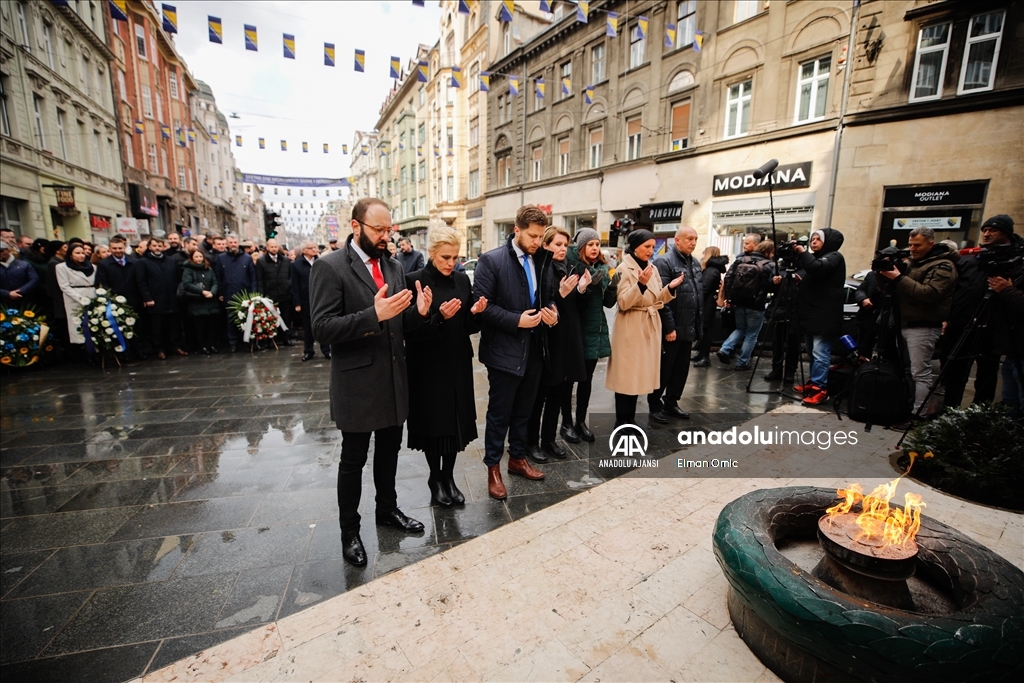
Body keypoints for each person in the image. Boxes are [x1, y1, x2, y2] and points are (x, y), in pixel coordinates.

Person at [309, 198, 433, 567]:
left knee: (389, 451)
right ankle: (350, 531)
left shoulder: (393, 266)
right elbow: (322, 329)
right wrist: (372, 314)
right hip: (357, 384)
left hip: (394, 378)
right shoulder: (329, 267)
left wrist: (419, 315)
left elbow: (397, 324)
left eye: (389, 229)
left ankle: (387, 509)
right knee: (353, 460)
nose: (386, 236)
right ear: (356, 226)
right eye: (378, 229)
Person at [473, 205, 558, 500]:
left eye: (540, 236)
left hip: (535, 349)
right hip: (503, 352)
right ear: (516, 230)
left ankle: (518, 458)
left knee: (525, 411)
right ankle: (493, 468)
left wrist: (553, 313)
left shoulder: (541, 260)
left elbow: (548, 298)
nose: (536, 242)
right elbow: (483, 307)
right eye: (532, 236)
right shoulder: (491, 260)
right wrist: (516, 320)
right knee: (500, 414)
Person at [405, 226, 487, 507]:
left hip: (457, 361)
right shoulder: (414, 280)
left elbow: (466, 326)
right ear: (431, 253)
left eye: (455, 257)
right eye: (445, 258)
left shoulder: (463, 281)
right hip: (427, 365)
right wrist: (433, 315)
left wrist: (475, 314)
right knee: (434, 425)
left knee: (455, 424)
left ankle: (449, 478)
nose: (451, 263)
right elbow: (410, 331)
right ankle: (435, 479)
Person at [878, 226, 958, 419]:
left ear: (931, 243)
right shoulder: (914, 262)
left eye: (917, 245)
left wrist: (898, 277)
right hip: (905, 323)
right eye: (911, 244)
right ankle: (907, 407)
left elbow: (929, 293)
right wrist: (883, 272)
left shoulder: (943, 265)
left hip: (924, 325)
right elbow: (889, 289)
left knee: (920, 373)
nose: (912, 248)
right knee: (907, 370)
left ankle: (919, 415)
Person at [606, 229, 683, 427]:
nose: (650, 250)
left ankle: (629, 419)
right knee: (626, 377)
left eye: (652, 246)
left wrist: (670, 288)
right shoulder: (622, 269)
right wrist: (639, 285)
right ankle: (621, 421)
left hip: (649, 326)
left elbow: (657, 299)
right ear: (635, 247)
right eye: (646, 246)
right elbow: (622, 302)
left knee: (639, 376)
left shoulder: (652, 268)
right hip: (630, 327)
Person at [943, 215, 1019, 409]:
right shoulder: (970, 259)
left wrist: (1008, 289)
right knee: (955, 373)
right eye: (984, 230)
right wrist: (947, 317)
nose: (986, 233)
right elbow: (953, 290)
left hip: (994, 329)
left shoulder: (1016, 261)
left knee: (987, 375)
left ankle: (979, 414)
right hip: (963, 326)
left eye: (992, 230)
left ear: (1007, 233)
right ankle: (949, 413)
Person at [527, 226, 586, 462]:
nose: (562, 249)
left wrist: (580, 291)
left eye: (565, 245)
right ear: (545, 245)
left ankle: (549, 440)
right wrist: (560, 295)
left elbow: (574, 310)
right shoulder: (541, 268)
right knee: (540, 396)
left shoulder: (566, 268)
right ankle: (531, 442)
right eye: (557, 244)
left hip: (566, 340)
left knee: (558, 394)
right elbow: (542, 304)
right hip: (547, 342)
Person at [564, 228, 618, 441]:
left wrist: (613, 285)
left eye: (597, 244)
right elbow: (571, 304)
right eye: (591, 245)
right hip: (575, 333)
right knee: (568, 382)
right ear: (581, 247)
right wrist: (583, 287)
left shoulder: (602, 269)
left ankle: (580, 422)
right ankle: (566, 423)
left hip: (595, 331)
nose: (595, 248)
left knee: (586, 380)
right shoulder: (572, 267)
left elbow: (608, 303)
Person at [649, 227, 702, 421]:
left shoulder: (694, 263)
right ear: (677, 241)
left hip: (688, 326)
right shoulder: (664, 262)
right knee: (664, 369)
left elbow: (697, 295)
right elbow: (662, 297)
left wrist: (698, 325)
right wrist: (669, 327)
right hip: (673, 327)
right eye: (689, 239)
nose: (693, 242)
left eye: (695, 239)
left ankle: (672, 402)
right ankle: (655, 404)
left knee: (681, 369)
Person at [794, 228, 847, 405]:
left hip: (825, 315)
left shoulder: (834, 256)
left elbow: (817, 269)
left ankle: (820, 388)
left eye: (818, 239)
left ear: (829, 242)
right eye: (812, 239)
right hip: (813, 313)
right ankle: (814, 381)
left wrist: (802, 252)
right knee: (811, 351)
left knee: (820, 352)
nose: (813, 242)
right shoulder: (818, 259)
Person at [716, 237, 775, 371]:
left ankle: (725, 349)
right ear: (768, 251)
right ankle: (742, 362)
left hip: (739, 302)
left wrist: (730, 298)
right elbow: (771, 286)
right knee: (751, 334)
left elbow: (729, 278)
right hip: (756, 304)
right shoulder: (769, 265)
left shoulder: (741, 260)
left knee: (740, 329)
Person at [135, 236, 186, 360]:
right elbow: (141, 282)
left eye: (159, 246)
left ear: (164, 247)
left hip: (172, 298)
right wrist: (147, 298)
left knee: (174, 325)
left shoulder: (171, 260)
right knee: (157, 327)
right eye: (154, 245)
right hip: (155, 299)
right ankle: (159, 349)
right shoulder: (143, 262)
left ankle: (175, 346)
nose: (157, 248)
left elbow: (178, 278)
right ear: (150, 247)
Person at [214, 235, 258, 352]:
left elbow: (253, 276)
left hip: (244, 293)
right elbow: (218, 277)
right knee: (231, 320)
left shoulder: (247, 258)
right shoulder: (221, 258)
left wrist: (253, 293)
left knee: (247, 319)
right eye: (231, 242)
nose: (233, 244)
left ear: (238, 243)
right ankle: (233, 343)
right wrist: (220, 292)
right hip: (229, 293)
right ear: (227, 244)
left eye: (235, 242)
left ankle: (247, 341)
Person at [291, 241, 330, 361]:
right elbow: (294, 285)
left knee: (324, 326)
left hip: (321, 299)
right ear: (304, 251)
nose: (314, 250)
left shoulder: (321, 262)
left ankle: (326, 350)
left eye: (315, 247)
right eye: (311, 248)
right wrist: (297, 303)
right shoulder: (296, 265)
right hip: (306, 300)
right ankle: (308, 351)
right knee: (308, 329)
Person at [54, 242, 96, 355]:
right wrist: (80, 298)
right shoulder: (62, 267)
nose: (81, 255)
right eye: (77, 253)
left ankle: (94, 350)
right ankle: (83, 352)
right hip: (74, 298)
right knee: (78, 326)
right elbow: (64, 286)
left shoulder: (92, 267)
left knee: (94, 324)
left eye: (83, 253)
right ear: (70, 255)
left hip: (92, 295)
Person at [693, 247, 728, 368]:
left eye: (704, 252)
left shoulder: (711, 270)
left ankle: (704, 357)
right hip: (708, 303)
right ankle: (702, 354)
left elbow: (704, 288)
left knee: (705, 330)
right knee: (704, 330)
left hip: (706, 304)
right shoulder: (714, 270)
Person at [181, 249, 220, 355]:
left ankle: (212, 344)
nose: (199, 259)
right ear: (192, 258)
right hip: (197, 302)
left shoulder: (209, 269)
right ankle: (203, 346)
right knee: (200, 327)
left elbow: (215, 282)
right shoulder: (188, 269)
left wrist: (212, 292)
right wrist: (202, 292)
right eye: (196, 257)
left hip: (210, 301)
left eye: (200, 257)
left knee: (212, 326)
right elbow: (187, 284)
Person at [256, 238, 293, 347]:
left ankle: (286, 338)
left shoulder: (285, 260)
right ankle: (273, 339)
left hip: (285, 294)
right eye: (271, 247)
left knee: (286, 318)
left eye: (275, 246)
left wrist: (288, 285)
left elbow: (290, 276)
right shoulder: (261, 261)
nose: (274, 249)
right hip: (270, 295)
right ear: (267, 248)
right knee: (271, 318)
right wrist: (261, 295)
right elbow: (260, 279)